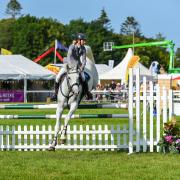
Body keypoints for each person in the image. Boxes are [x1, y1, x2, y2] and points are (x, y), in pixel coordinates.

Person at [52, 33, 91, 101]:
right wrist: (71, 67)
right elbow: (69, 56)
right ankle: (55, 94)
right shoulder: (72, 46)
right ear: (79, 40)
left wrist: (82, 67)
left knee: (84, 78)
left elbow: (84, 60)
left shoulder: (83, 49)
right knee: (58, 77)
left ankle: (87, 93)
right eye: (83, 40)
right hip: (68, 65)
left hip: (78, 66)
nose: (85, 42)